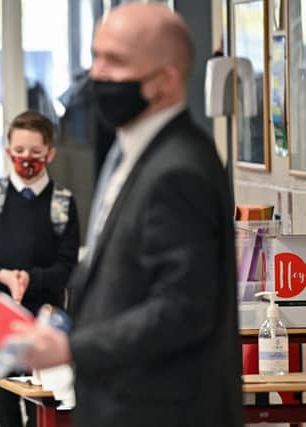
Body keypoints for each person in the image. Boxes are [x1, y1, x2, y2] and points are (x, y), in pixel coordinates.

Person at [15, 4, 243, 427]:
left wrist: (72, 347)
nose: (97, 74)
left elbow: (181, 310)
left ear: (167, 79)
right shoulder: (129, 149)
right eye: (96, 55)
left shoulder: (180, 168)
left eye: (115, 61)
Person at [0, 111, 80, 427]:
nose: (26, 159)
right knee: (3, 402)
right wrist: (4, 276)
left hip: (44, 321)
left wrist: (30, 278)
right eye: (19, 151)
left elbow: (66, 266)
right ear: (8, 150)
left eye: (35, 153)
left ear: (49, 154)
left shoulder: (62, 203)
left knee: (42, 406)